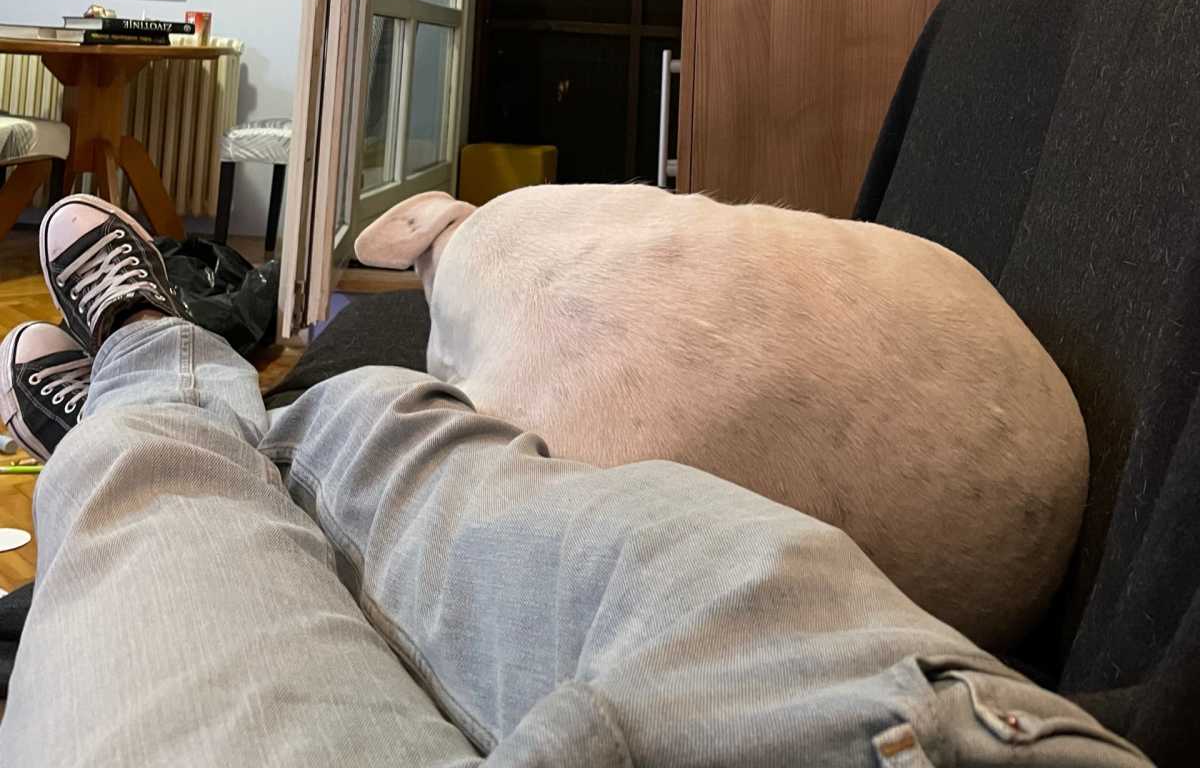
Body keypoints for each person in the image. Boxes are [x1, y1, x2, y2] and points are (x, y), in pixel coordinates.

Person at [0, 195, 1148, 767]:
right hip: (921, 717)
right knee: (412, 439)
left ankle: (152, 377)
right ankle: (189, 403)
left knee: (164, 511)